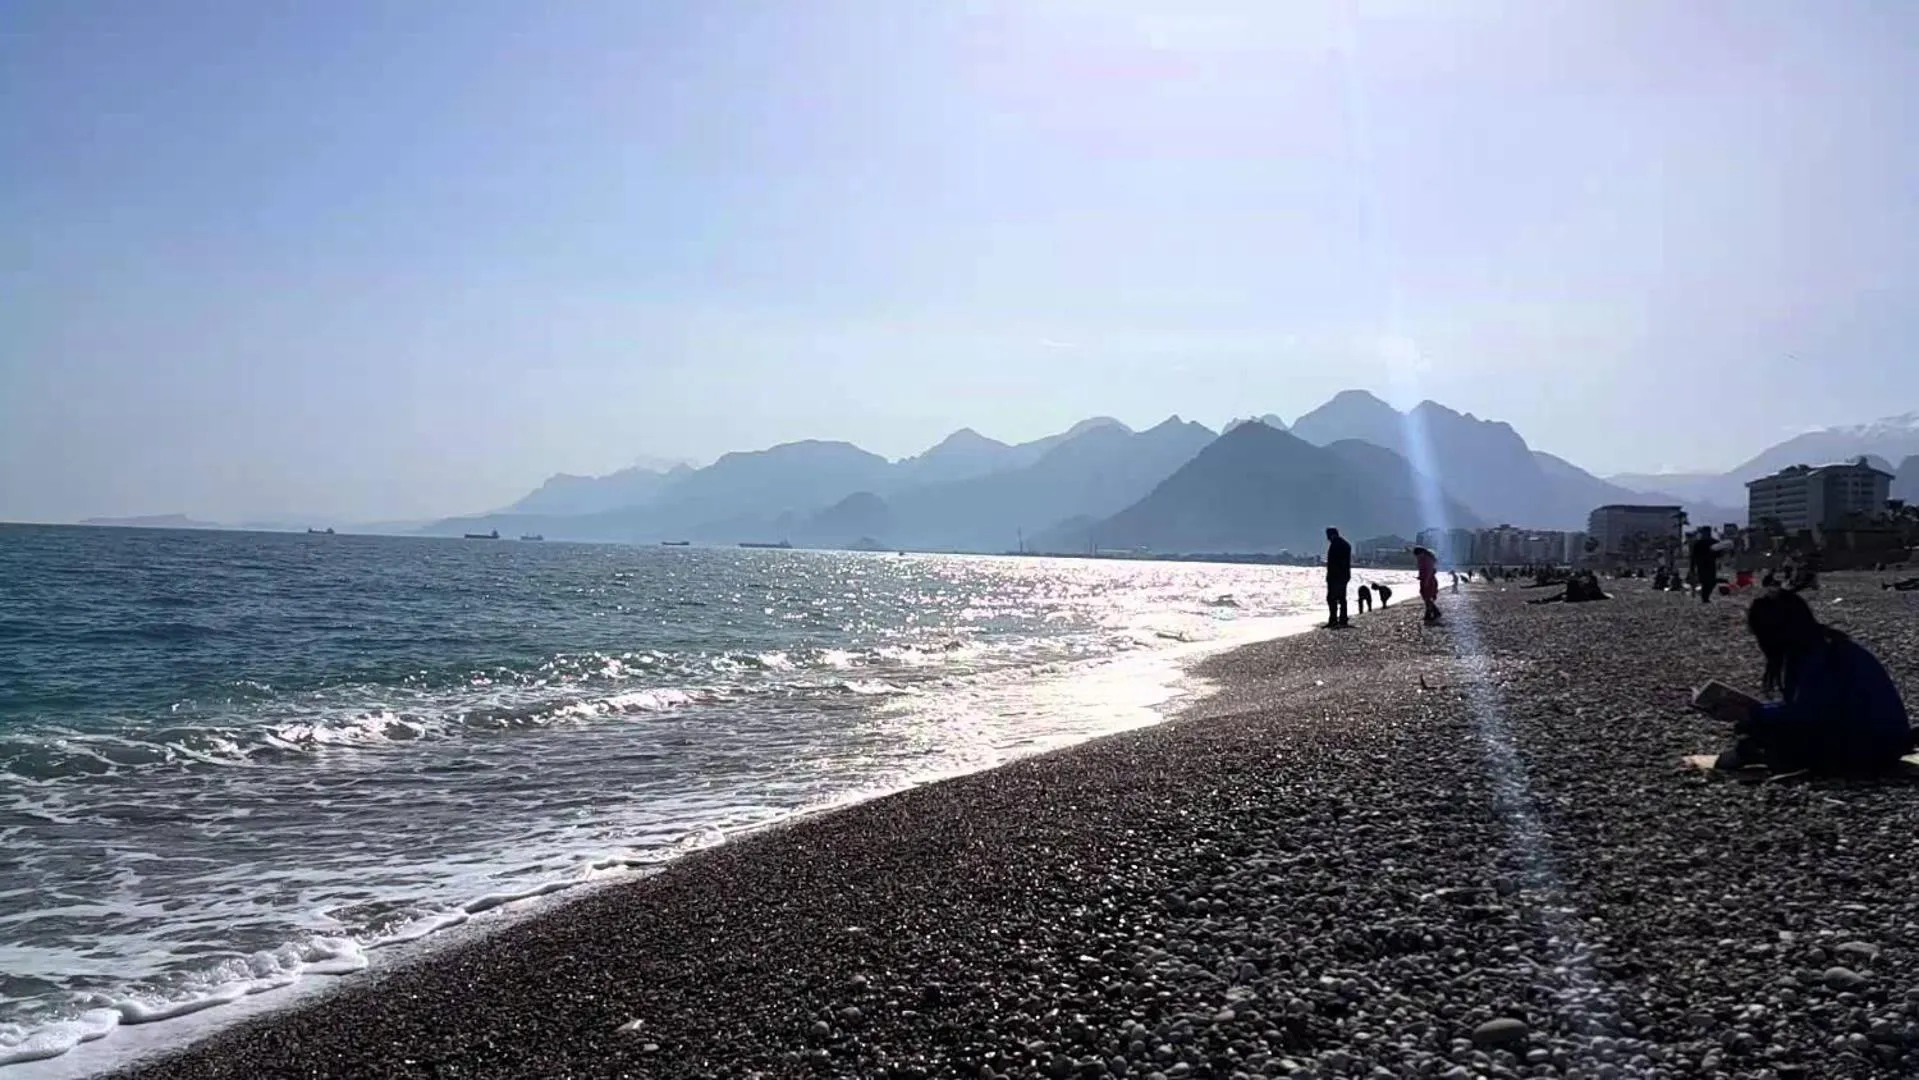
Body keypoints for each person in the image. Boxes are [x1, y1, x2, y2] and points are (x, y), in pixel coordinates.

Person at [1710, 590, 1913, 773]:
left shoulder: (1824, 656)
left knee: (1767, 734)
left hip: (1872, 747)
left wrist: (1752, 713)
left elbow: (1810, 713)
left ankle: (1755, 753)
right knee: (1761, 728)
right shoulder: (1822, 647)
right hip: (1881, 741)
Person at [1323, 527, 1351, 628]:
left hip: (1335, 576)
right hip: (1344, 575)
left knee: (1331, 598)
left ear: (1331, 535)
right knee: (1342, 598)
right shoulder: (1345, 544)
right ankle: (1343, 619)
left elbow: (1333, 563)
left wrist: (1330, 576)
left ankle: (1333, 620)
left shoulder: (1335, 545)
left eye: (1327, 535)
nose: (1327, 538)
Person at [1689, 527, 1719, 604]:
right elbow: (1693, 556)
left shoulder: (1713, 542)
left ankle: (1705, 596)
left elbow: (1719, 553)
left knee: (1712, 582)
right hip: (1702, 565)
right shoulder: (1698, 543)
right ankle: (1705, 597)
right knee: (1705, 581)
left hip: (1710, 564)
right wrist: (1692, 567)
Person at [1414, 546, 1441, 623]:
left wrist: (1426, 580)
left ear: (1422, 553)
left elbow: (1429, 571)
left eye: (1418, 555)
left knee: (1427, 597)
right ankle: (1432, 613)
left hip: (1429, 581)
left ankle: (1431, 613)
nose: (1417, 556)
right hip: (1426, 580)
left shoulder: (1427, 559)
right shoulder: (1423, 559)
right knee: (1426, 598)